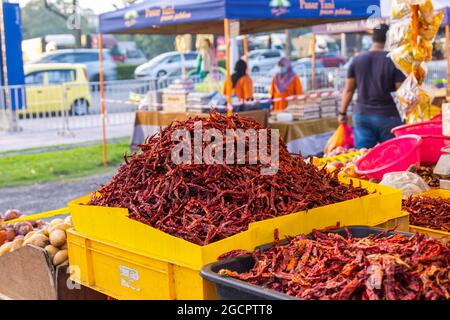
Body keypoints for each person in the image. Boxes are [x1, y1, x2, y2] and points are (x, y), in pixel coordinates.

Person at [338, 24, 405, 149]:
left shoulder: (356, 60)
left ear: (372, 38)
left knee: (364, 157)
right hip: (388, 116)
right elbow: (401, 91)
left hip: (362, 115)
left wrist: (342, 112)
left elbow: (349, 89)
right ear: (387, 38)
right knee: (389, 155)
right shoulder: (393, 61)